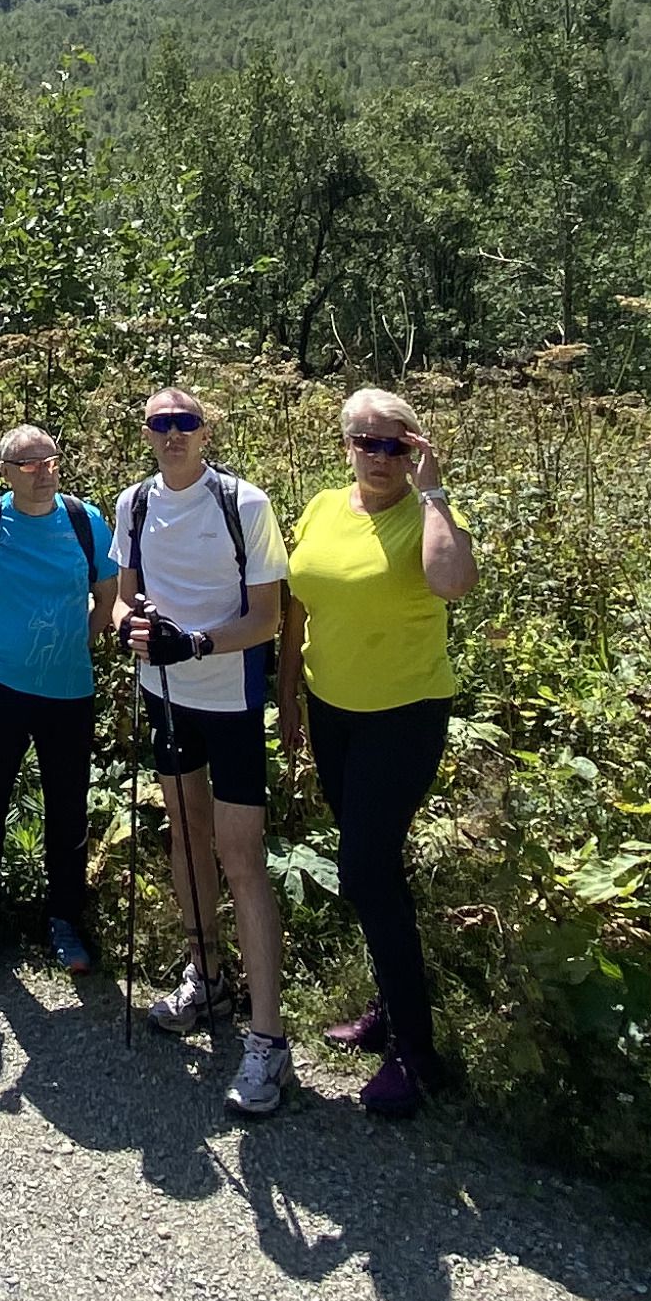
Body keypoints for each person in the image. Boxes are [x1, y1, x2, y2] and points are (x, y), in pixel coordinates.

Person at [277, 387, 478, 1116]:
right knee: (372, 870)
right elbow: (297, 601)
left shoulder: (428, 515)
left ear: (417, 448)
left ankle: (416, 1055)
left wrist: (436, 494)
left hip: (404, 716)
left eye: (397, 443)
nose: (381, 456)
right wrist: (288, 695)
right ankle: (392, 1012)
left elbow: (454, 583)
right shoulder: (325, 508)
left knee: (365, 867)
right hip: (333, 712)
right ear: (347, 447)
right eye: (368, 442)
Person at [115, 388, 293, 1118]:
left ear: (205, 429)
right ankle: (206, 974)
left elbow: (268, 616)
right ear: (149, 434)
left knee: (239, 856)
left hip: (233, 700)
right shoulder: (132, 504)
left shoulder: (243, 504)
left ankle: (268, 1041)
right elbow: (123, 600)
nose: (174, 435)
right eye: (161, 425)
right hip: (164, 695)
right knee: (184, 836)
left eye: (185, 423)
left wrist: (194, 641)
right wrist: (137, 627)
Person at [0, 424, 118, 990]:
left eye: (51, 461)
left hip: (69, 690)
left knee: (68, 810)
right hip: (1, 688)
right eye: (29, 464)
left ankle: (64, 921)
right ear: (6, 472)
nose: (43, 471)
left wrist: (79, 642)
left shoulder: (87, 522)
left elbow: (108, 596)